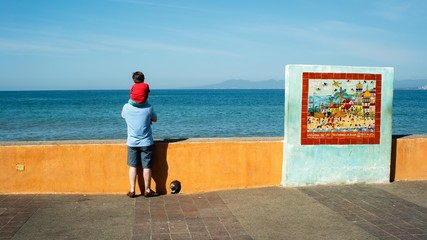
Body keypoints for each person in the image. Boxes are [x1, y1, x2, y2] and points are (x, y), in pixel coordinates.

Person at [121, 72, 158, 198]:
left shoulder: (126, 107)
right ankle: (147, 190)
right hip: (146, 142)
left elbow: (123, 117)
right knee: (146, 167)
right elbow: (154, 119)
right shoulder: (149, 108)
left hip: (132, 142)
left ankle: (132, 190)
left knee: (133, 167)